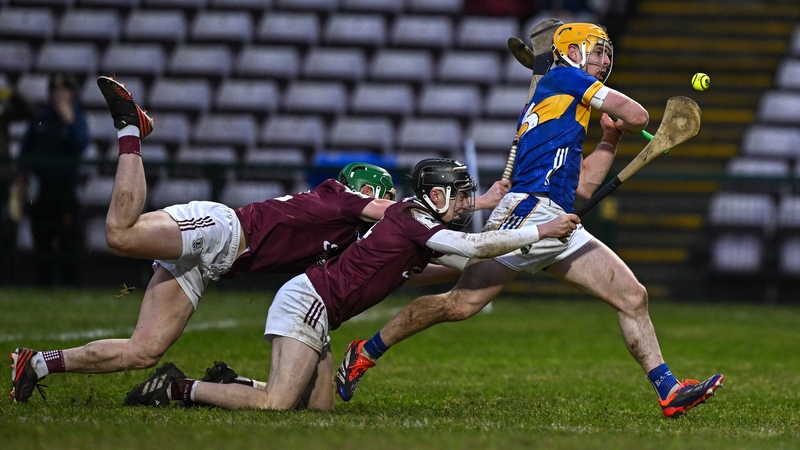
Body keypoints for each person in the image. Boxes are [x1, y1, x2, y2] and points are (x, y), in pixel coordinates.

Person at [9, 76, 507, 403]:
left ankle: (40, 363)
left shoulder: (351, 233)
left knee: (144, 351)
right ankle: (130, 130)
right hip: (222, 231)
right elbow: (401, 215)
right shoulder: (342, 199)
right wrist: (476, 206)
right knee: (119, 235)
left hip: (212, 263)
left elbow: (411, 264)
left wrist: (491, 268)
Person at [334, 23, 724, 418]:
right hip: (528, 210)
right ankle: (365, 351)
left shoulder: (572, 103)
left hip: (557, 216)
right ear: (572, 52)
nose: (604, 61)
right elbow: (638, 113)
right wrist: (627, 120)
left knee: (632, 296)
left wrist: (611, 139)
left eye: (608, 54)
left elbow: (584, 188)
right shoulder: (563, 77)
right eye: (596, 51)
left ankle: (668, 390)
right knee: (460, 304)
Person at [122, 158, 580, 411]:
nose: (464, 203)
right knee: (276, 406)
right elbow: (473, 247)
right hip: (309, 300)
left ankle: (229, 382)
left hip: (318, 308)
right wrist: (541, 231)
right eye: (459, 196)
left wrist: (515, 256)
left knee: (318, 409)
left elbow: (459, 259)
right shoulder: (413, 219)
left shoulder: (416, 229)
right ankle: (180, 388)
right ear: (436, 196)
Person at [16, 73, 89, 286]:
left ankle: (70, 285)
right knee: (42, 239)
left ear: (71, 94)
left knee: (68, 240)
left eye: (63, 91)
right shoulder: (41, 118)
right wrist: (22, 175)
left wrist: (69, 122)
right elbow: (25, 150)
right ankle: (43, 284)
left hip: (65, 190)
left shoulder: (76, 118)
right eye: (55, 91)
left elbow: (81, 144)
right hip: (41, 190)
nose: (59, 95)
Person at [0, 75, 36, 284]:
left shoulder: (3, 109)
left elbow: (30, 112)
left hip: (2, 180)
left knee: (6, 230)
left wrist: (10, 92)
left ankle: (5, 278)